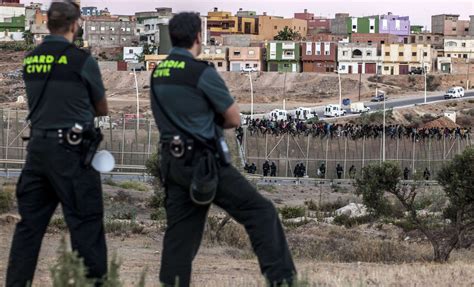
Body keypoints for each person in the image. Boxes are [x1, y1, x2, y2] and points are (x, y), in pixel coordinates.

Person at [150, 13, 296, 287]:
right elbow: (233, 118)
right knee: (260, 213)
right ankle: (283, 280)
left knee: (179, 238)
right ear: (198, 37)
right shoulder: (201, 72)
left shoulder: (158, 73)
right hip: (204, 162)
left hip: (171, 162)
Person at [6, 2, 109, 286]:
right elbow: (102, 107)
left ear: (48, 24)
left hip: (37, 151)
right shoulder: (81, 60)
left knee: (29, 229)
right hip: (73, 152)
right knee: (87, 228)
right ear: (75, 24)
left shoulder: (31, 59)